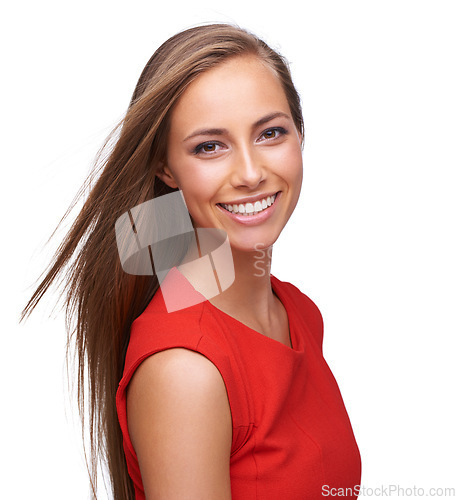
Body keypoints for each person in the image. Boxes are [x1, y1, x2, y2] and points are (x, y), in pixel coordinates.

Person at [22, 23, 361, 499]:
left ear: (299, 136)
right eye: (210, 146)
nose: (249, 172)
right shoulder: (186, 369)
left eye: (270, 133)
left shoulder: (300, 313)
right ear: (166, 168)